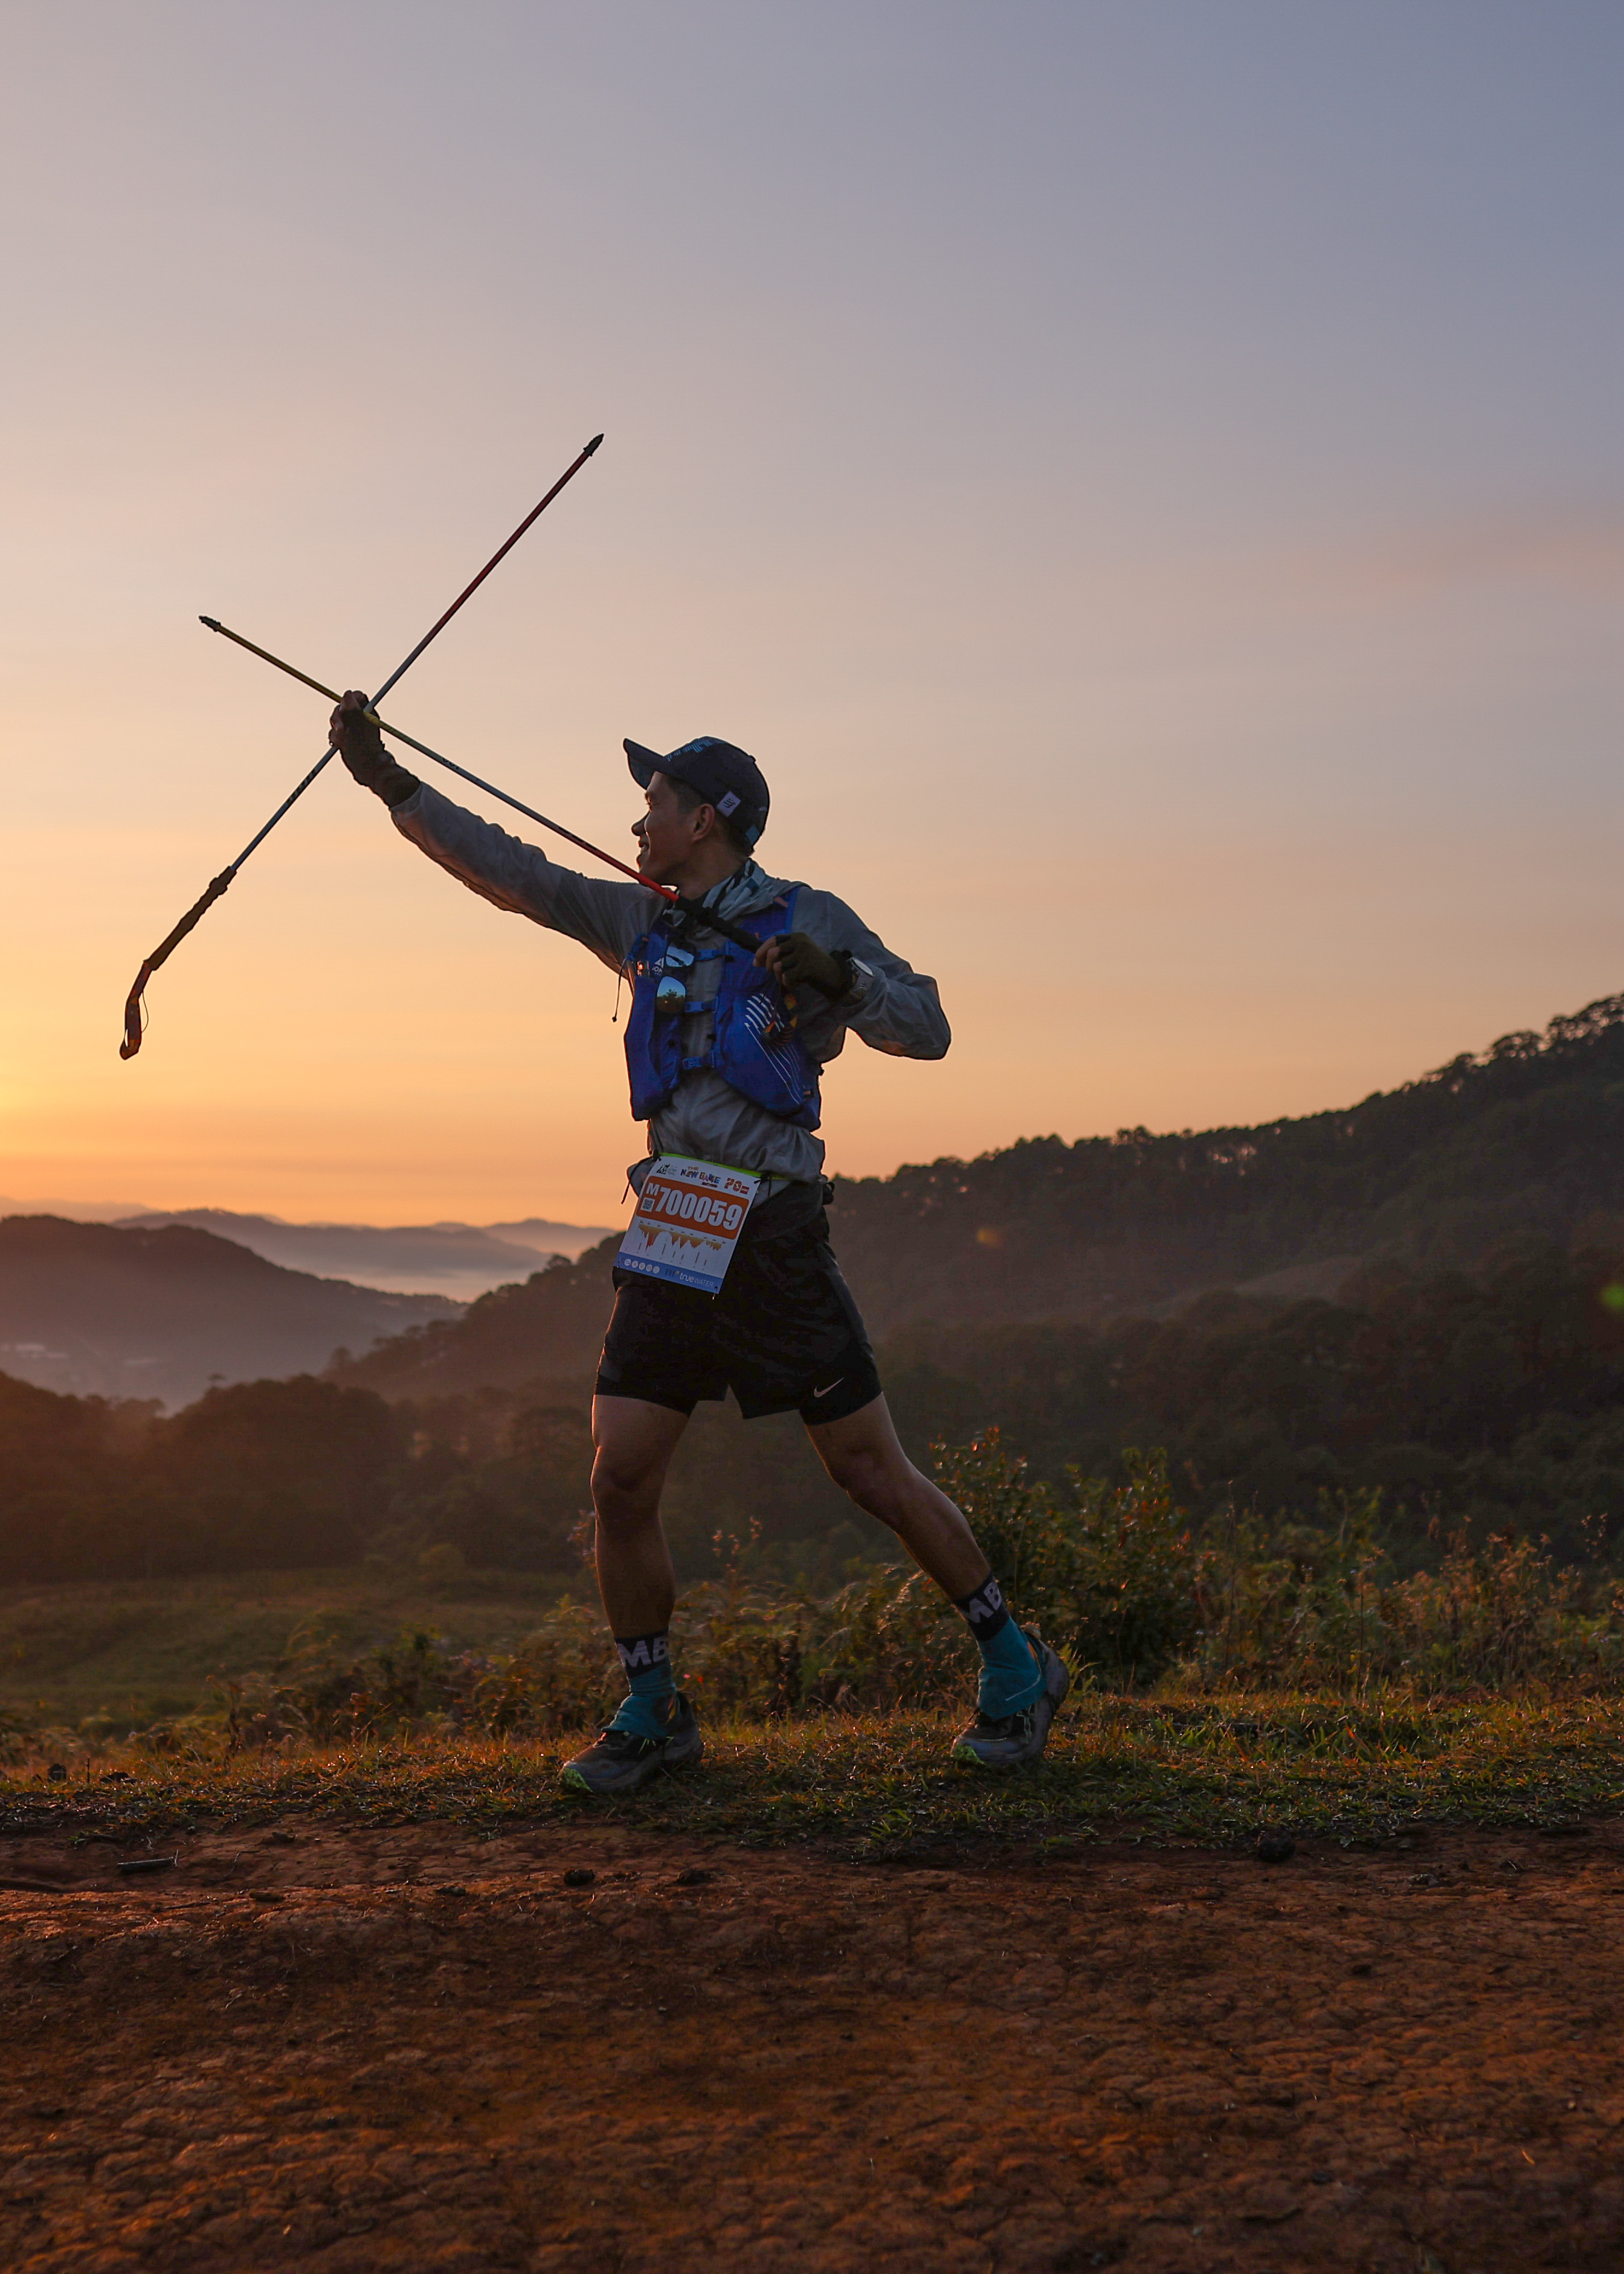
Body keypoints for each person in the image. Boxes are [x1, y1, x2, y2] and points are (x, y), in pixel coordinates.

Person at [327, 690, 1069, 1794]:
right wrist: (389, 783)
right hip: (672, 1222)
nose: (637, 824)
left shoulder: (810, 914)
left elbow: (930, 1029)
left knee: (869, 1469)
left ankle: (1018, 1667)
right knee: (619, 1480)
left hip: (772, 1230)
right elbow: (516, 873)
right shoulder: (640, 923)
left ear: (707, 820)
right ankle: (652, 1706)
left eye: (654, 801)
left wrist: (843, 980)